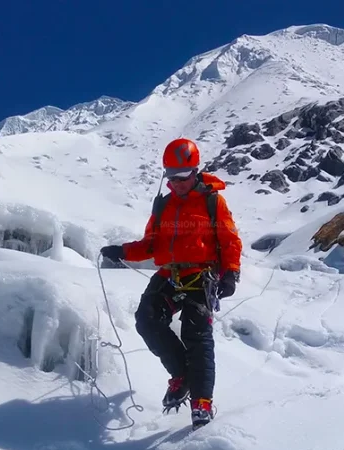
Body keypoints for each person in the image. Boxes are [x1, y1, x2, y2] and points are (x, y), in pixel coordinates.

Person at [99, 138, 242, 429]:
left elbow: (229, 240)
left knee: (197, 334)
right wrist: (123, 251)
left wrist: (231, 273)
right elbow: (151, 244)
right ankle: (182, 375)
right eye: (170, 177)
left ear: (194, 171)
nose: (175, 183)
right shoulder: (163, 205)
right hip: (169, 275)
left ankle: (202, 402)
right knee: (146, 320)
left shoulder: (213, 201)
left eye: (181, 177)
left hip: (200, 275)